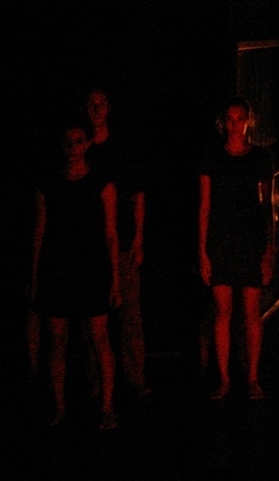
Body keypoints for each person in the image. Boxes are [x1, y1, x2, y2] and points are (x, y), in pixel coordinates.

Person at [31, 118, 120, 429]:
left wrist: (115, 279)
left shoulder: (102, 181)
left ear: (87, 143)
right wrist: (35, 275)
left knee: (99, 337)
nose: (73, 148)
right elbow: (39, 231)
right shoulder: (48, 183)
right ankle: (59, 408)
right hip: (57, 268)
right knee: (57, 340)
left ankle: (107, 406)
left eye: (79, 141)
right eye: (68, 142)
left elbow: (111, 233)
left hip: (92, 268)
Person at [199, 96, 273, 400]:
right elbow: (204, 206)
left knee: (251, 312)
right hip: (220, 240)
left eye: (239, 118)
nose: (234, 124)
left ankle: (253, 377)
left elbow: (267, 208)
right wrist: (203, 251)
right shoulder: (211, 157)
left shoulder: (260, 158)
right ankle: (224, 379)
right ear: (223, 123)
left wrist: (268, 252)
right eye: (230, 119)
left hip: (250, 240)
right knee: (222, 311)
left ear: (248, 121)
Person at [85, 89, 150, 396]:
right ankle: (96, 380)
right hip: (90, 244)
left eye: (101, 104)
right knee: (92, 318)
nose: (96, 109)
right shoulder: (80, 148)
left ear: (109, 108)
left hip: (122, 241)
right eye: (91, 104)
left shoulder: (122, 149)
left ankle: (135, 378)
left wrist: (138, 238)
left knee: (129, 315)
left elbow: (138, 194)